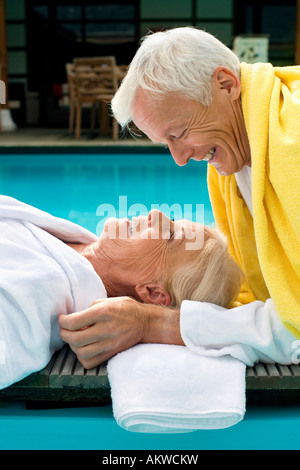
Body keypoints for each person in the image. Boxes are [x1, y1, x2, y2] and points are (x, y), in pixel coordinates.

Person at [60, 27, 300, 369]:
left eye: (180, 133)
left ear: (226, 84)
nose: (180, 158)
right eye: (166, 142)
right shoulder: (239, 148)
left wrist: (154, 323)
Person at [0, 195, 242, 389]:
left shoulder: (35, 300)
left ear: (153, 293)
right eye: (173, 221)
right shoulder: (71, 244)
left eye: (170, 235)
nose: (156, 214)